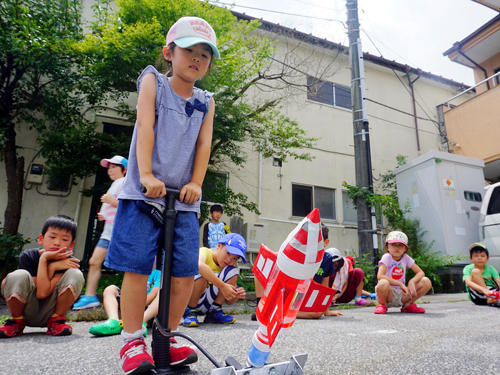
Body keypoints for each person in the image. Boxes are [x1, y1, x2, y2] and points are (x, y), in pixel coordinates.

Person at [102, 16, 219, 374]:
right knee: (137, 268)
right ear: (169, 52)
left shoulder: (206, 100)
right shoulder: (153, 80)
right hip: (143, 194)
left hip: (184, 201)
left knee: (184, 272)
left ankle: (165, 337)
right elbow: (146, 125)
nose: (197, 59)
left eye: (205, 55)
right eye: (189, 51)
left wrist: (197, 183)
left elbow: (203, 144)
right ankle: (132, 341)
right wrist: (148, 174)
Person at [0, 215, 84, 338]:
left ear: (71, 245)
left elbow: (43, 293)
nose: (57, 242)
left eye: (64, 239)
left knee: (75, 274)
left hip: (51, 311)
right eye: (52, 237)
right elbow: (37, 292)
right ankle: (16, 321)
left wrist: (51, 266)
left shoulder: (69, 262)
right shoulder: (29, 256)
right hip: (26, 309)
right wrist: (46, 262)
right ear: (41, 239)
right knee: (17, 275)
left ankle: (57, 321)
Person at [252, 224, 342, 320]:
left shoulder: (327, 259)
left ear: (325, 242)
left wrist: (326, 310)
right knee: (262, 264)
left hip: (305, 299)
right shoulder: (297, 253)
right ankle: (261, 309)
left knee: (318, 314)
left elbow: (324, 287)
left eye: (317, 242)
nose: (312, 245)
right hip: (289, 294)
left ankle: (277, 312)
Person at [73, 155, 128, 310]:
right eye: (109, 167)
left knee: (130, 266)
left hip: (120, 233)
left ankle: (135, 296)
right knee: (94, 261)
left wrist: (110, 202)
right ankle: (90, 296)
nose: (110, 170)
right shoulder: (115, 184)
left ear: (124, 170)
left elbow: (130, 205)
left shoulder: (124, 182)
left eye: (114, 167)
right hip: (109, 233)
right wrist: (104, 214)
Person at [183, 233, 247, 327]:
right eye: (228, 253)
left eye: (234, 258)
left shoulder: (227, 268)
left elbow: (229, 301)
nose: (229, 260)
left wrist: (236, 295)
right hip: (188, 300)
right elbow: (199, 265)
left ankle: (215, 311)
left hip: (207, 303)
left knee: (233, 271)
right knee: (202, 271)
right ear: (219, 246)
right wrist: (223, 286)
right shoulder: (205, 252)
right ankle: (190, 311)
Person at [89, 267, 161, 336]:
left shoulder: (159, 271)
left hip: (149, 308)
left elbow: (153, 293)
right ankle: (114, 321)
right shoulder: (135, 269)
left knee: (161, 293)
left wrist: (135, 307)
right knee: (110, 289)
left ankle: (141, 321)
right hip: (130, 303)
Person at [374, 231, 432, 314]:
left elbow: (420, 272)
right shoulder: (387, 257)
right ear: (387, 247)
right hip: (388, 293)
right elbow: (380, 275)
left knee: (426, 281)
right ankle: (383, 305)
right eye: (393, 244)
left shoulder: (406, 258)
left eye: (400, 245)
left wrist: (412, 281)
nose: (397, 248)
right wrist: (399, 283)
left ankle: (407, 305)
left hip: (402, 294)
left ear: (405, 248)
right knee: (383, 283)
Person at [463, 242, 500, 306]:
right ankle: (489, 298)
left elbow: (498, 281)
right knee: (475, 271)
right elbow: (468, 282)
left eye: (482, 256)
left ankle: (493, 300)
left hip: (491, 292)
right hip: (477, 294)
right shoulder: (468, 268)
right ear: (471, 258)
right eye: (476, 256)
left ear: (487, 258)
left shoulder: (491, 269)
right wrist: (484, 290)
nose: (479, 258)